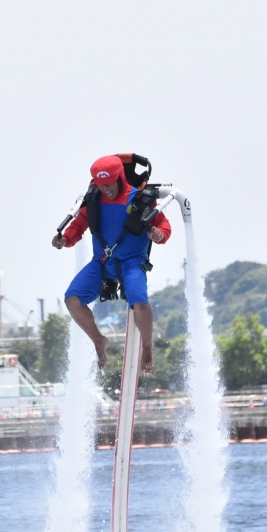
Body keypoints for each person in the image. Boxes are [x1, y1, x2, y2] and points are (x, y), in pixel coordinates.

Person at [51, 154, 171, 372]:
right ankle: (99, 340)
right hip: (101, 262)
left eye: (109, 184)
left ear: (120, 178)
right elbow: (77, 227)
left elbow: (163, 226)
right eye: (101, 185)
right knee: (72, 299)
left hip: (132, 263)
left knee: (140, 302)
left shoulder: (140, 200)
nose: (105, 189)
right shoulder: (94, 201)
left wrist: (159, 235)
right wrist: (65, 239)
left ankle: (147, 348)